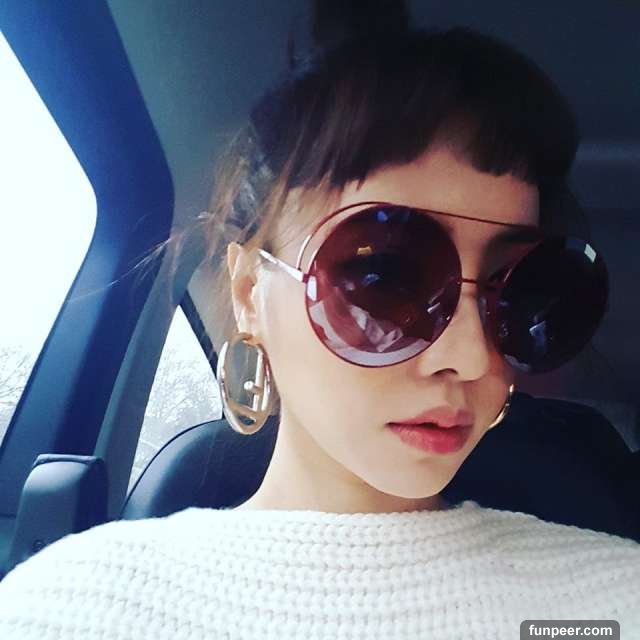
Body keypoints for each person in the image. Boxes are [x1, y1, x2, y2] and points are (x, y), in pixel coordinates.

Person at [0, 22, 638, 640]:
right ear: (250, 292)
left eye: (515, 290)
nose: (473, 356)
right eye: (384, 278)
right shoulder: (75, 609)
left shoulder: (611, 602)